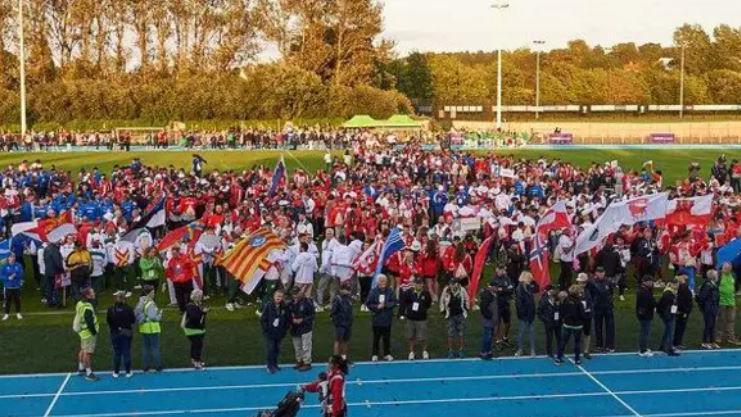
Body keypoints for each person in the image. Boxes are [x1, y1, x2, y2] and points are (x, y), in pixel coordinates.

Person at [399, 277, 432, 360]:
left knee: (423, 336)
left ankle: (424, 351)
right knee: (411, 336)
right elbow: (404, 303)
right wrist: (403, 313)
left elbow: (428, 304)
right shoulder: (408, 293)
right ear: (414, 284)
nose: (419, 285)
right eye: (417, 283)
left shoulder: (426, 293)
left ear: (422, 284)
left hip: (422, 318)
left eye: (420, 283)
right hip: (411, 318)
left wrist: (422, 310)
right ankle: (412, 352)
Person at [366, 274, 397, 361]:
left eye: (385, 281)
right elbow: (368, 303)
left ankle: (387, 354)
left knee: (386, 338)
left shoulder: (390, 291)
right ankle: (375, 354)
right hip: (377, 319)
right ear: (378, 282)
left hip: (387, 319)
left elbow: (394, 302)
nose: (384, 283)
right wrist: (377, 307)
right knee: (376, 338)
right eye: (382, 281)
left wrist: (386, 305)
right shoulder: (373, 292)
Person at [106, 290, 136, 378]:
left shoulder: (111, 309)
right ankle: (128, 372)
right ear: (124, 299)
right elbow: (133, 320)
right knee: (126, 352)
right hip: (126, 333)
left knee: (117, 353)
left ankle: (116, 372)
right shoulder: (128, 308)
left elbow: (108, 321)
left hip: (114, 333)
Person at [587, 266, 616, 353]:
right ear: (596, 273)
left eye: (602, 272)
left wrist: (610, 302)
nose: (601, 274)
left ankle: (609, 345)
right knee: (597, 327)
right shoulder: (592, 283)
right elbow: (590, 295)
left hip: (608, 307)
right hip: (597, 307)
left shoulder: (608, 282)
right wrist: (593, 304)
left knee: (610, 327)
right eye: (599, 272)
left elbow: (611, 292)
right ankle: (599, 345)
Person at [73, 288, 99, 381]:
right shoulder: (87, 308)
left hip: (82, 332)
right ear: (88, 296)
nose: (94, 293)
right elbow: (89, 322)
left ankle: (81, 368)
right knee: (87, 353)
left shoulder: (80, 303)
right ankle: (89, 373)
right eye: (92, 292)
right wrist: (94, 332)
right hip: (88, 333)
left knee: (83, 349)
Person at [261, 289, 290, 374]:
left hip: (280, 333)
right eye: (277, 296)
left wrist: (285, 329)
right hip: (270, 332)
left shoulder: (284, 306)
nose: (278, 298)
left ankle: (275, 364)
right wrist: (266, 329)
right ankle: (269, 366)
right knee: (271, 349)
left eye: (280, 296)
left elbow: (288, 319)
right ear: (274, 296)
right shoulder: (269, 306)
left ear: (283, 297)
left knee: (277, 349)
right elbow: (263, 319)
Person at [556, 285, 586, 365]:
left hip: (567, 324)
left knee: (563, 342)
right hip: (577, 326)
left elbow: (561, 310)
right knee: (577, 342)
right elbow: (582, 314)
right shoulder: (579, 302)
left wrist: (563, 319)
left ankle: (558, 358)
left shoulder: (565, 300)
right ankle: (577, 359)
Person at [439, 277, 470, 358]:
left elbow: (467, 299)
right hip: (450, 315)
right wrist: (443, 310)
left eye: (454, 283)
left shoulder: (462, 290)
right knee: (450, 334)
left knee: (461, 334)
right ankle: (450, 351)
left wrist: (467, 307)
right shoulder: (446, 290)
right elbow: (442, 300)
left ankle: (461, 350)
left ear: (457, 283)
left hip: (460, 314)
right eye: (451, 283)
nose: (452, 285)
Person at [135, 284, 163, 372]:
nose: (154, 293)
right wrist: (160, 315)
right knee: (155, 347)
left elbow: (136, 313)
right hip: (152, 328)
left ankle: (145, 366)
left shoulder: (141, 302)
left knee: (146, 348)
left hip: (144, 328)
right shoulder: (150, 303)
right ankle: (158, 366)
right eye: (153, 291)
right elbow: (153, 317)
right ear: (150, 292)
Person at [289, 287, 315, 372]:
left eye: (296, 293)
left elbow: (312, 316)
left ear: (300, 292)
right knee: (297, 346)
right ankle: (299, 361)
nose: (295, 295)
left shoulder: (307, 302)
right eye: (293, 294)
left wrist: (302, 320)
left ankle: (307, 363)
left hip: (305, 328)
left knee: (306, 346)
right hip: (295, 328)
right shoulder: (291, 303)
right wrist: (291, 319)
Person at [181, 289, 208, 370]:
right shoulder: (191, 306)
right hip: (193, 329)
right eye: (199, 296)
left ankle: (194, 360)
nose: (201, 297)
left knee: (195, 345)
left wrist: (203, 312)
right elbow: (194, 317)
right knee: (197, 346)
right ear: (196, 297)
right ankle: (197, 362)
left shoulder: (197, 304)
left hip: (197, 329)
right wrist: (203, 312)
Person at [514, 271, 538, 357]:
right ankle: (520, 349)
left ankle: (532, 350)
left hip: (530, 313)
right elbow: (519, 304)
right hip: (524, 314)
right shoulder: (520, 288)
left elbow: (537, 288)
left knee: (531, 332)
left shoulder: (529, 287)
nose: (531, 280)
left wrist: (534, 281)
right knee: (522, 332)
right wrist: (523, 315)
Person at [716, 262, 739, 345]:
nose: (726, 270)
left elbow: (736, 287)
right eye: (725, 268)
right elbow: (715, 286)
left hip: (731, 301)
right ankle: (718, 336)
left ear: (731, 268)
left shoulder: (733, 275)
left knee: (731, 320)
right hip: (721, 301)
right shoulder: (718, 275)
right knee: (720, 319)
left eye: (728, 268)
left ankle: (730, 337)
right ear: (723, 267)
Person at [166, 246, 196, 312]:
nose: (173, 255)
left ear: (178, 252)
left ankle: (190, 308)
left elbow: (191, 265)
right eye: (172, 254)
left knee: (189, 295)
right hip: (177, 282)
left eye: (175, 253)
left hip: (186, 280)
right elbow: (169, 271)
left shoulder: (185, 258)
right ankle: (182, 310)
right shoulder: (171, 261)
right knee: (179, 296)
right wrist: (172, 278)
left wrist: (190, 275)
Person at [697, 269, 721, 349]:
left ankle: (712, 342)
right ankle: (705, 342)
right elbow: (701, 298)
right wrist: (705, 308)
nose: (718, 276)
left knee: (713, 326)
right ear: (713, 276)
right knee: (708, 325)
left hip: (713, 308)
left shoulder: (713, 284)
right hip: (709, 308)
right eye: (716, 275)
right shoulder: (707, 285)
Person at [330, 283, 353, 360]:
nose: (348, 291)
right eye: (346, 289)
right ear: (341, 290)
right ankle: (336, 360)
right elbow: (333, 312)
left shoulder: (349, 299)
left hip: (348, 324)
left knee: (345, 341)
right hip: (340, 324)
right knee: (338, 341)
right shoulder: (337, 299)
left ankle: (344, 359)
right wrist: (337, 322)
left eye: (348, 290)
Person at [491, 266, 514, 347]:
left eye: (501, 270)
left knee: (507, 322)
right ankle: (498, 340)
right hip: (497, 304)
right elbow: (494, 289)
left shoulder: (507, 278)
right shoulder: (494, 279)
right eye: (498, 270)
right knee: (497, 323)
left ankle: (505, 337)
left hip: (506, 303)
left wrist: (501, 289)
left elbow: (511, 288)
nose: (500, 272)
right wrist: (505, 289)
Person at [537, 286, 561, 359]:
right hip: (548, 322)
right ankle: (549, 352)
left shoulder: (557, 299)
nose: (552, 292)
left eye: (553, 290)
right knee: (549, 337)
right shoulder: (543, 300)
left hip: (557, 321)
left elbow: (561, 308)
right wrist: (545, 319)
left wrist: (561, 318)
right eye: (551, 291)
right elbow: (539, 312)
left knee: (559, 337)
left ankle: (560, 350)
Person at [657, 280, 680, 356]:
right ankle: (669, 349)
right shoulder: (668, 294)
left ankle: (663, 346)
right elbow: (665, 305)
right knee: (670, 331)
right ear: (671, 284)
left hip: (668, 314)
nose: (677, 286)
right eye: (676, 284)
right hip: (668, 315)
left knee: (667, 331)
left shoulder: (670, 292)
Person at [636, 278, 656, 357]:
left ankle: (643, 348)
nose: (651, 283)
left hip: (643, 314)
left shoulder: (643, 290)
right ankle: (643, 350)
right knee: (645, 332)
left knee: (644, 331)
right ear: (645, 282)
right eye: (650, 281)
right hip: (645, 315)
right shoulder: (644, 292)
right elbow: (651, 302)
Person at [479, 279, 499, 360]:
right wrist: (490, 316)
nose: (497, 289)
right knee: (487, 336)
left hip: (491, 319)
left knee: (490, 336)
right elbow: (483, 307)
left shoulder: (492, 294)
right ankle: (484, 352)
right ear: (492, 287)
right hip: (488, 319)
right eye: (496, 287)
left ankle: (488, 351)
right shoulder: (487, 295)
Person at [575, 273, 594, 359]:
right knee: (577, 334)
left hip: (587, 316)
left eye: (584, 282)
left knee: (587, 333)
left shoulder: (588, 292)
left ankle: (586, 351)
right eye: (581, 282)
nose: (582, 284)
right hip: (578, 317)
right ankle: (577, 350)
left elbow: (590, 303)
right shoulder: (574, 292)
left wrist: (589, 310)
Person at [1, 253, 24, 320]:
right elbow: (1, 276)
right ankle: (6, 314)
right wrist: (8, 278)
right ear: (8, 258)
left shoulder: (18, 265)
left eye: (14, 256)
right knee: (7, 301)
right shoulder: (4, 266)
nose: (13, 258)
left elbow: (21, 274)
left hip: (17, 286)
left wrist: (15, 276)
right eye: (11, 257)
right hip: (8, 287)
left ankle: (18, 313)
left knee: (17, 300)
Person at [673, 274, 693, 351]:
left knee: (680, 328)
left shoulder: (683, 287)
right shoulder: (682, 287)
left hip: (683, 310)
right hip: (682, 311)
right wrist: (685, 310)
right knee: (679, 328)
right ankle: (676, 343)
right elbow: (682, 300)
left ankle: (678, 343)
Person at [43, 238, 64, 308]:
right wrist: (62, 270)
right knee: (56, 288)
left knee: (49, 288)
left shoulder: (46, 249)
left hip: (48, 271)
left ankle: (50, 302)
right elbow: (57, 262)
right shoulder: (55, 250)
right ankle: (58, 303)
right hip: (55, 272)